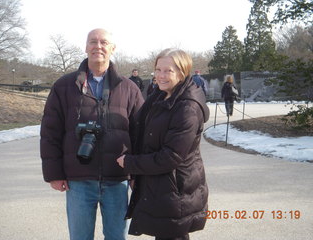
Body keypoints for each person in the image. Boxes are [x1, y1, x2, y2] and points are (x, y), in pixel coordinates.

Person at [40, 28, 144, 240]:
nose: (98, 46)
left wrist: (137, 173)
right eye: (93, 42)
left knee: (117, 237)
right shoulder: (64, 86)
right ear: (86, 47)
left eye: (104, 42)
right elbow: (50, 132)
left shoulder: (129, 88)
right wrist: (54, 173)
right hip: (78, 179)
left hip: (117, 179)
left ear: (112, 48)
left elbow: (140, 133)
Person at [116, 48, 210, 240]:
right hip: (161, 187)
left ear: (182, 73)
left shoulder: (187, 107)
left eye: (168, 71)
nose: (160, 75)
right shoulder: (160, 96)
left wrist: (131, 163)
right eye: (158, 70)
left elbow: (170, 157)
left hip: (177, 190)